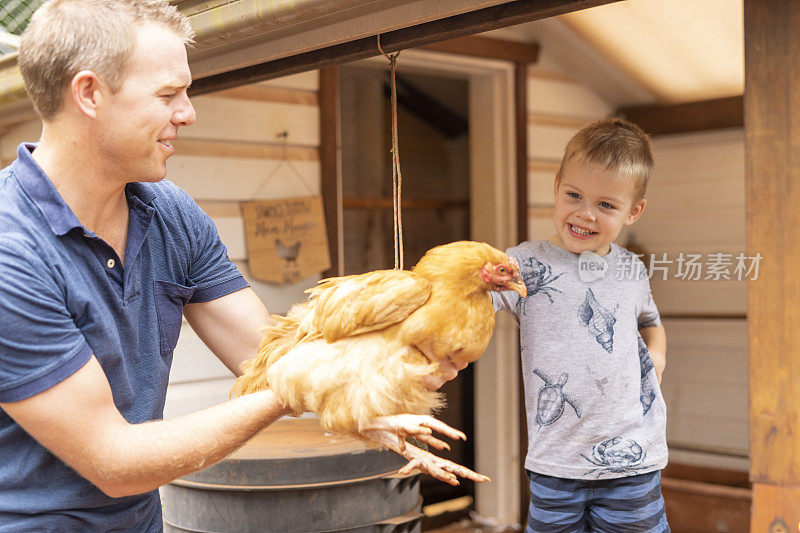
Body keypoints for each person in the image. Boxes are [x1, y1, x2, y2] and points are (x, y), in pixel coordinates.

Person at [0, 1, 453, 529]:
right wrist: (292, 392)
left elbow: (269, 357)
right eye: (168, 94)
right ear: (89, 94)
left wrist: (400, 359)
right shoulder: (13, 254)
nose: (188, 112)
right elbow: (115, 462)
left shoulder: (168, 213)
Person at [493, 118, 670, 532]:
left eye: (606, 205)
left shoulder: (630, 269)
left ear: (633, 211)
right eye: (574, 195)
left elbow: (650, 322)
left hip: (634, 458)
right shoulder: (524, 264)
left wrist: (657, 357)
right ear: (556, 186)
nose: (585, 214)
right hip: (556, 461)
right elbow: (475, 300)